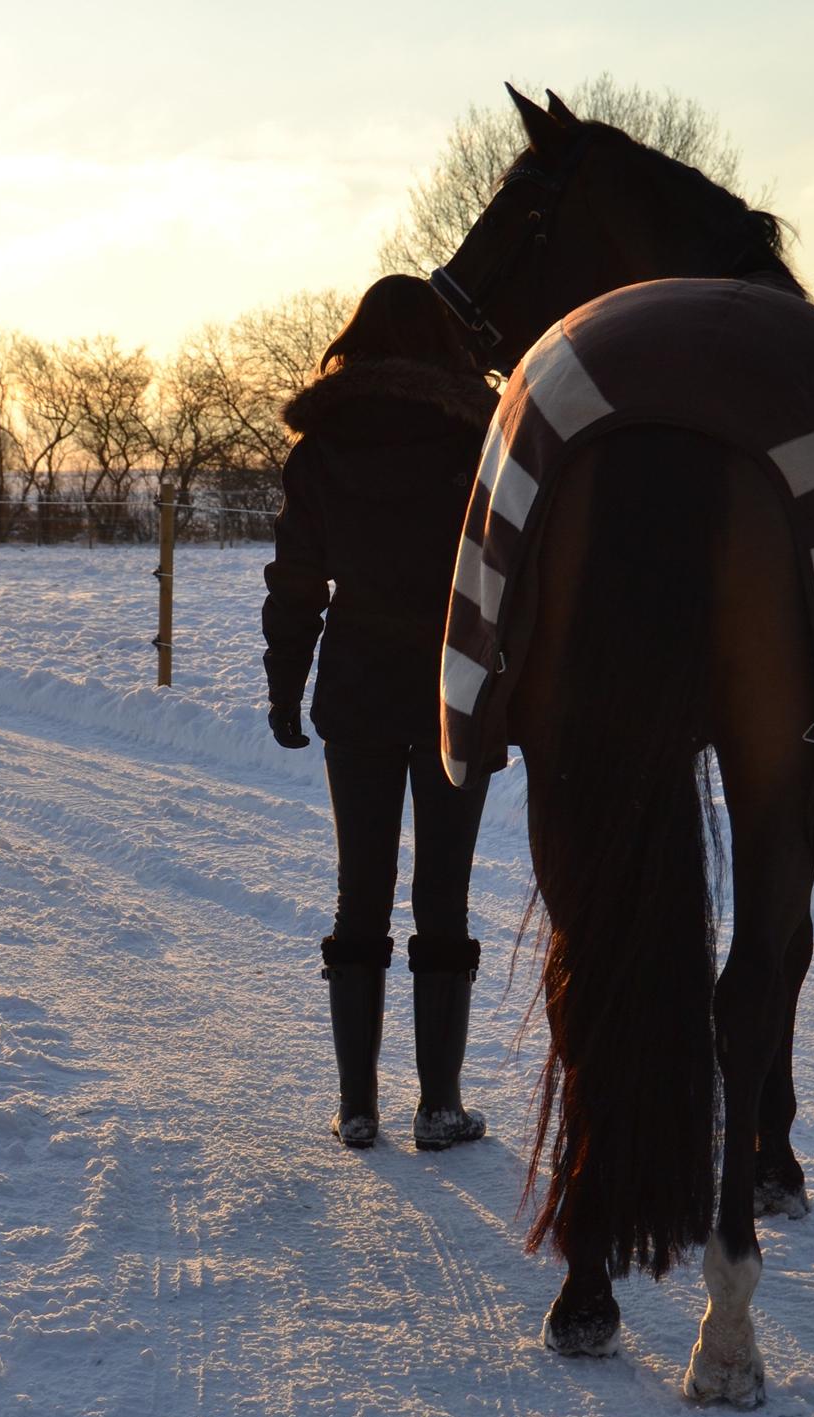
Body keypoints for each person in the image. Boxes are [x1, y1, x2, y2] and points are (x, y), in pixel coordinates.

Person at [262, 274, 497, 1152]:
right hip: (453, 690)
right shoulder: (479, 440)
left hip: (356, 686)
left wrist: (285, 685)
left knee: (359, 890)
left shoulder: (322, 447)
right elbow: (509, 576)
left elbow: (297, 583)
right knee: (444, 894)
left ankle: (357, 1108)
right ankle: (439, 1108)